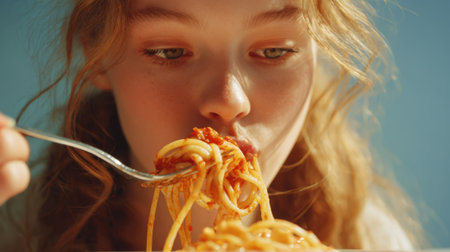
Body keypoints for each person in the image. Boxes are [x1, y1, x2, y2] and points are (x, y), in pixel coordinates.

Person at [0, 0, 423, 251]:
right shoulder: (18, 232)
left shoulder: (367, 240)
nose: (229, 101)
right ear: (98, 53)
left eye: (275, 50)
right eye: (168, 51)